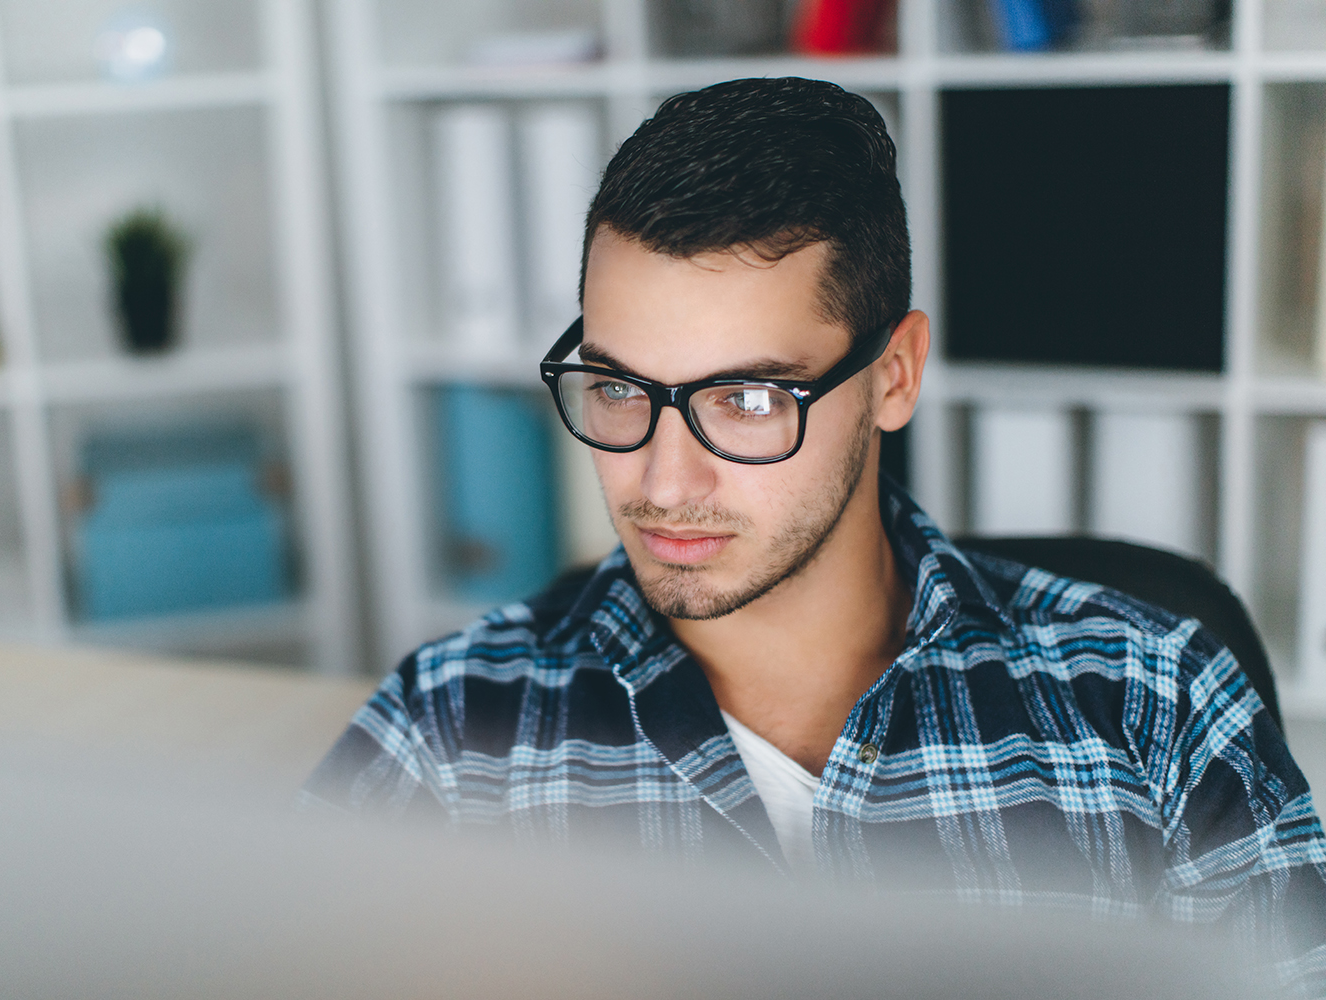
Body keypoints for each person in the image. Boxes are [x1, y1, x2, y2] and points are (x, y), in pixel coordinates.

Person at [306, 77, 1326, 991]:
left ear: (893, 376)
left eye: (747, 398)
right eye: (619, 387)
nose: (663, 479)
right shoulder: (451, 729)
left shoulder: (1155, 701)